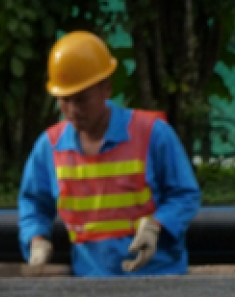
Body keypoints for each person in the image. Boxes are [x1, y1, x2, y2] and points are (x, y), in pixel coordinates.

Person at [18, 31, 201, 277]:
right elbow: (33, 203)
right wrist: (36, 240)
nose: (72, 110)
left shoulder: (152, 134)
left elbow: (185, 194)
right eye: (64, 100)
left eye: (81, 99)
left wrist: (157, 227)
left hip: (158, 279)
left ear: (107, 89)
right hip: (92, 284)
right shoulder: (49, 147)